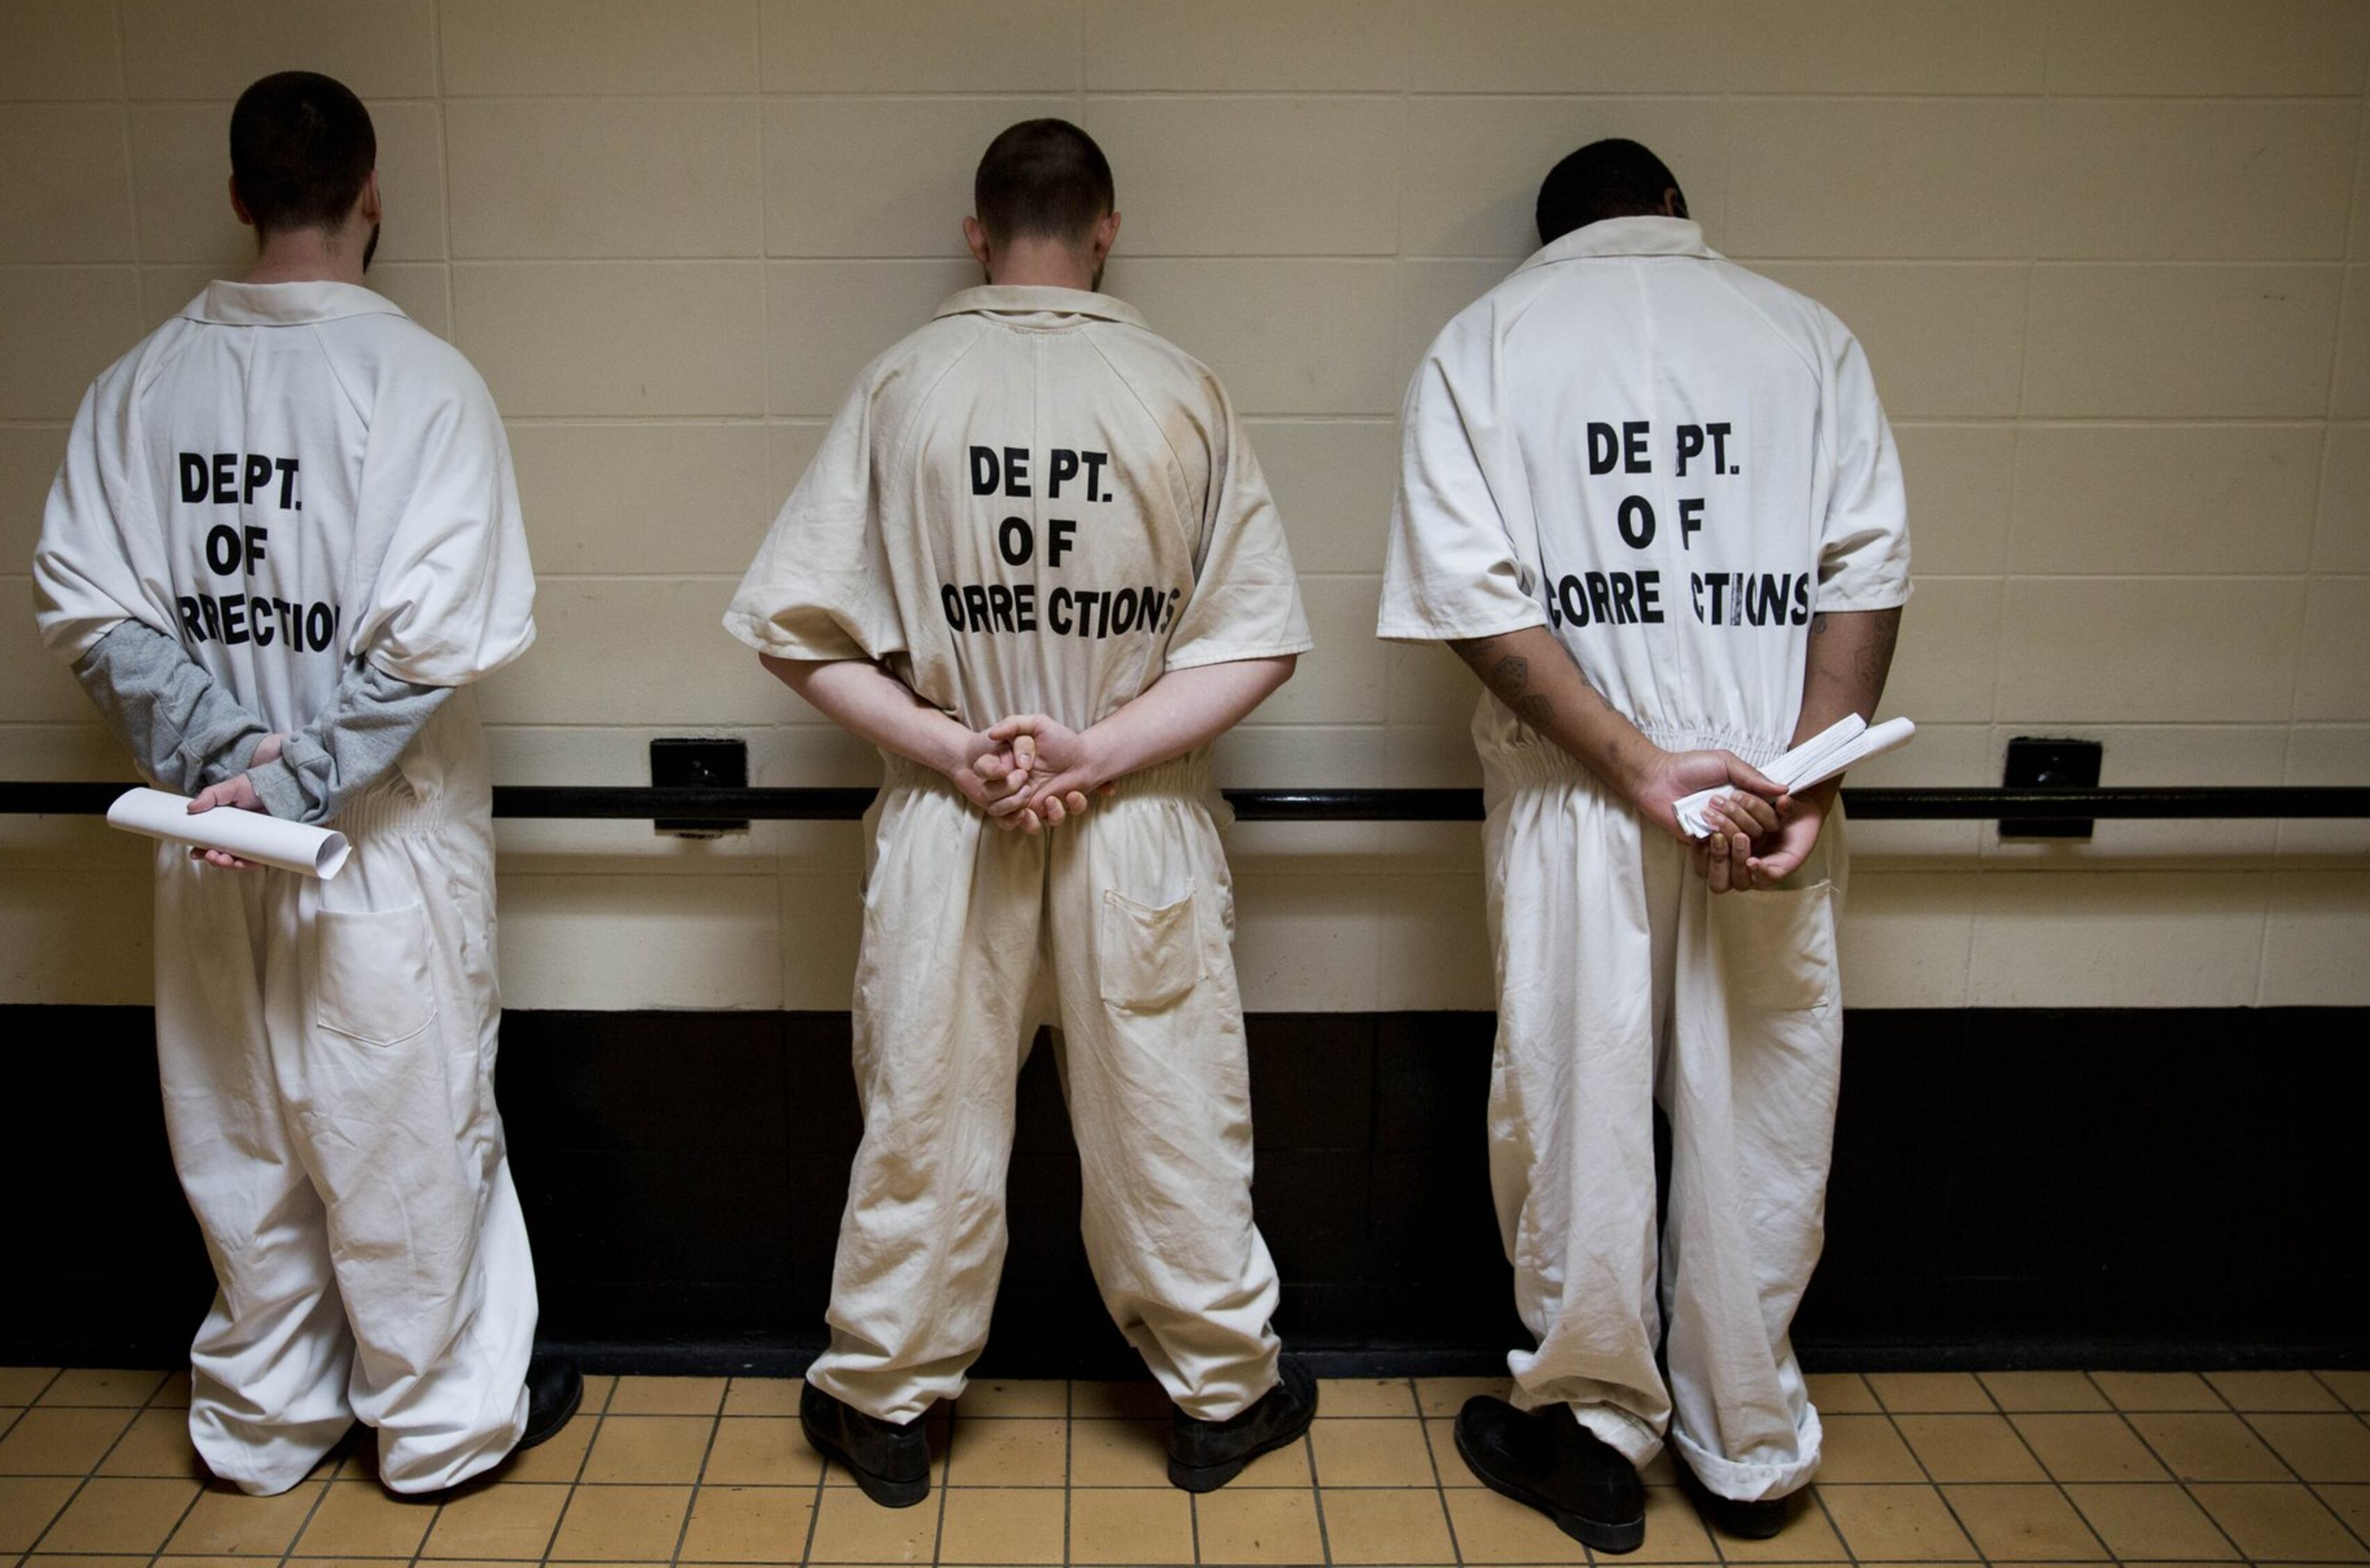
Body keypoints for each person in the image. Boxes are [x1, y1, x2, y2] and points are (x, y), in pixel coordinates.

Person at [726, 119, 1319, 1506]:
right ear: (1107, 229)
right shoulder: (1182, 391)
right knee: (1170, 1113)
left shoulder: (901, 385)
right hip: (1135, 818)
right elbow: (1258, 641)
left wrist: (955, 745)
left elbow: (796, 634)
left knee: (924, 1117)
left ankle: (883, 1402)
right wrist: (1094, 752)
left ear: (979, 233)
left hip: (957, 814)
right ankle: (1222, 1395)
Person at [33, 71, 574, 1495]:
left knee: (241, 1139)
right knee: (404, 1136)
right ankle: (438, 1428)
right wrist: (296, 786)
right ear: (373, 191)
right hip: (372, 849)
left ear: (236, 197)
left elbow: (96, 618)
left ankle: (263, 1422)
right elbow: (432, 643)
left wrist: (227, 769)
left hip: (204, 841)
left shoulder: (139, 385)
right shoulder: (427, 385)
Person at [1377, 140, 1909, 1552]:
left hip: (1583, 795)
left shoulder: (1484, 342)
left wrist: (1637, 767)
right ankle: (1750, 1449)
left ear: (1550, 236)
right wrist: (1802, 775)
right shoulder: (1808, 339)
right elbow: (1867, 568)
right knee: (1763, 1115)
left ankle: (1594, 1439)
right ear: (1675, 211)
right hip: (1770, 790)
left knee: (1578, 1118)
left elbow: (1475, 604)